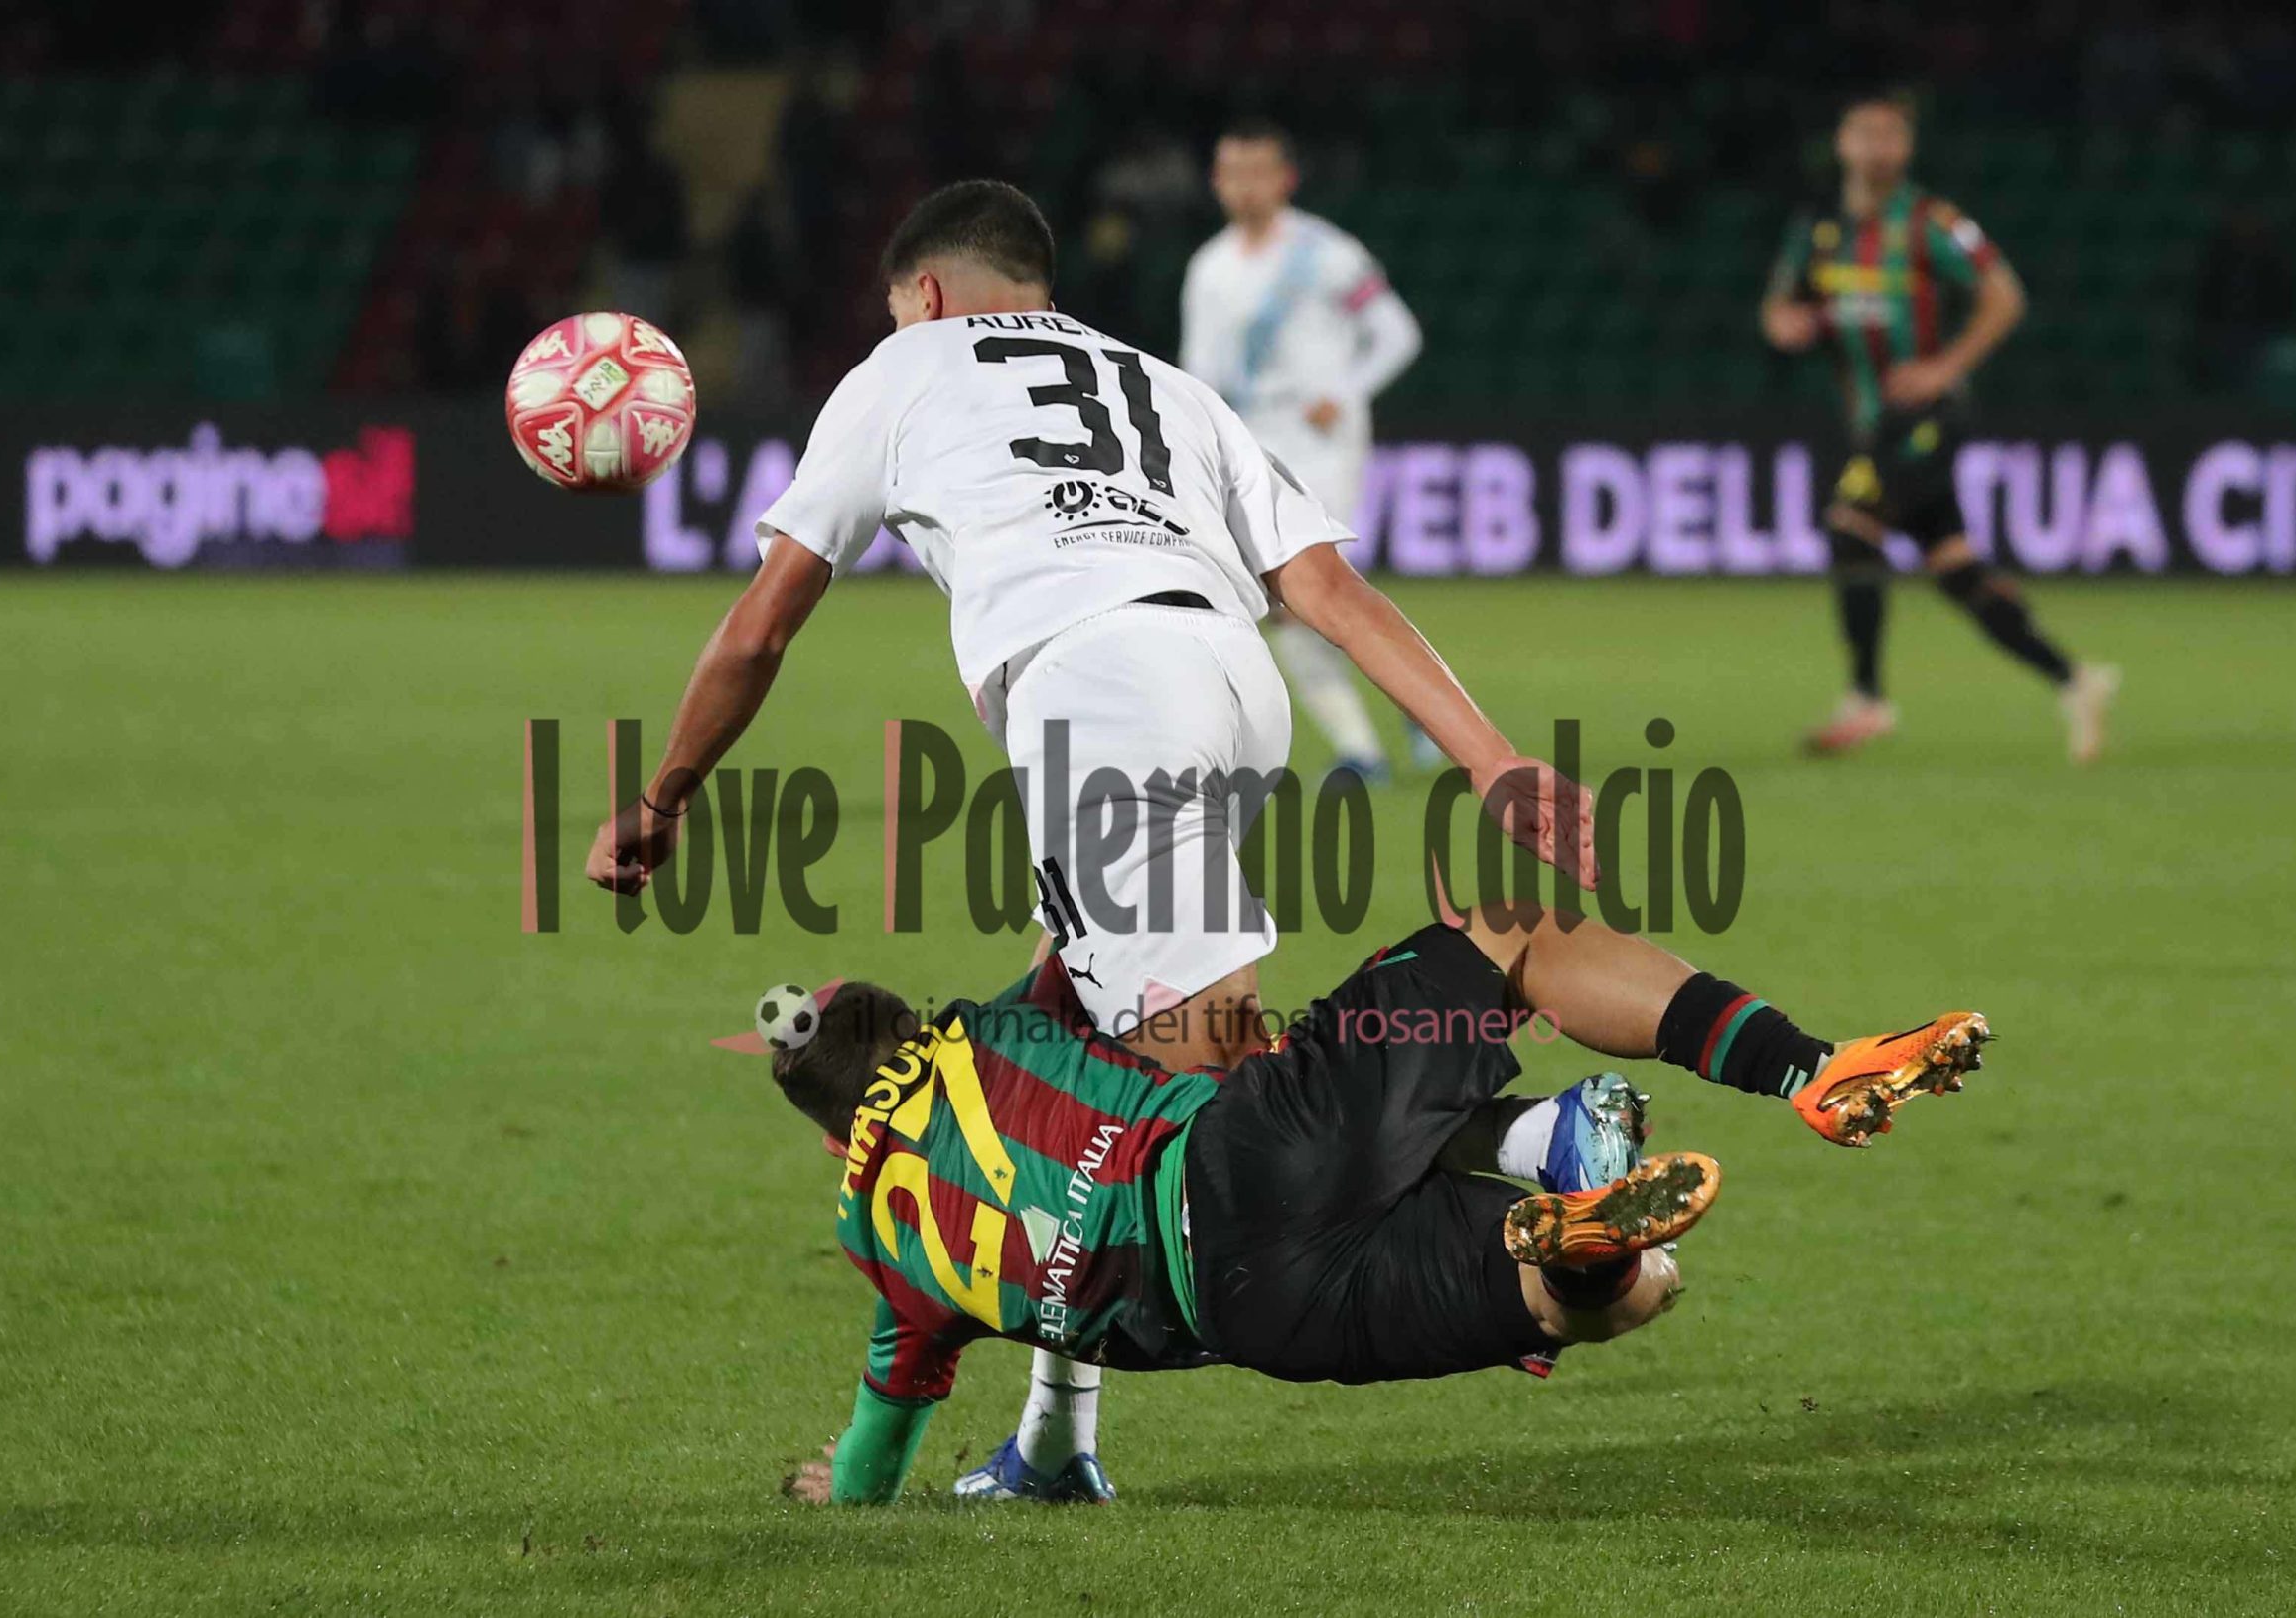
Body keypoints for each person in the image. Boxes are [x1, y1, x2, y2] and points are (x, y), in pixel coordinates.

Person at [585, 178, 1599, 1504]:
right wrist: (1488, 756)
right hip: (1234, 681)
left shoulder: (901, 372)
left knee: (1221, 1117)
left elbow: (763, 622)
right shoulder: (1167, 382)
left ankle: (1531, 1146)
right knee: (1084, 1054)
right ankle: (1058, 1440)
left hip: (1100, 695)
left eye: (904, 313)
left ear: (928, 296)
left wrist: (663, 796)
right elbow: (1327, 590)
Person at [770, 897, 1990, 1505]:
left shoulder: (878, 1244)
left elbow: (878, 1440)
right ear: (915, 1031)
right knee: (1506, 942)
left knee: (1614, 1303)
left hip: (1259, 1320)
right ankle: (1800, 1069)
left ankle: (1570, 1251)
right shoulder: (990, 1032)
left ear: (836, 1137)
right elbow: (1085, 941)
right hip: (1248, 1159)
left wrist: (845, 1487)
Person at [1762, 92, 2119, 763]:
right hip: (1874, 422)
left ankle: (1867, 697)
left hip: (1929, 416)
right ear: (1843, 143)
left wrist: (1945, 365)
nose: (1878, 146)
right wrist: (1787, 324)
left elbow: (2005, 295)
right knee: (1956, 570)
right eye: (1865, 133)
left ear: (1907, 148)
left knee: (1850, 522)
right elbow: (1781, 307)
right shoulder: (1818, 227)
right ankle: (2076, 679)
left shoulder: (1932, 222)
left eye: (1891, 135)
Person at [1182, 118, 1432, 783]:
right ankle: (1395, 704)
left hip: (1322, 440)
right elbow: (1197, 371)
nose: (1244, 185)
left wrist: (1345, 393)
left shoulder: (1326, 253)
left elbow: (1398, 334)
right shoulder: (1208, 268)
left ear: (1285, 178)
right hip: (1252, 442)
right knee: (1280, 602)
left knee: (1300, 591)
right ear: (1216, 181)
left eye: (1258, 170)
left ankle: (1366, 746)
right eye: (1231, 172)